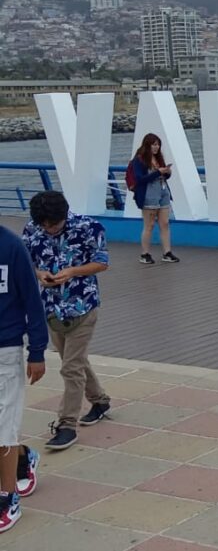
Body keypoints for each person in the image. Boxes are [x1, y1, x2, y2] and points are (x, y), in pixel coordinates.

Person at [22, 191, 112, 452]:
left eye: (53, 225)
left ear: (63, 216)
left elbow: (101, 262)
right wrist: (39, 274)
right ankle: (100, 400)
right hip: (51, 308)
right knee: (74, 360)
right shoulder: (31, 230)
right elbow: (27, 263)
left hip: (82, 306)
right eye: (44, 226)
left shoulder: (89, 227)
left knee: (70, 368)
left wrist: (72, 272)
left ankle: (66, 425)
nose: (48, 230)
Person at [0, 226, 48, 533]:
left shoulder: (12, 247)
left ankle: (8, 497)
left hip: (6, 349)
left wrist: (38, 350)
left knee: (3, 426)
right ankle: (22, 457)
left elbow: (33, 300)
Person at [129, 133, 179, 264]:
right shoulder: (139, 161)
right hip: (149, 193)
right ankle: (145, 253)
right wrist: (158, 172)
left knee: (165, 223)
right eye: (154, 144)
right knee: (149, 224)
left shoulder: (158, 159)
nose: (156, 147)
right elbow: (140, 178)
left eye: (158, 145)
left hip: (163, 191)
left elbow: (162, 176)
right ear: (147, 145)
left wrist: (167, 173)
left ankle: (167, 252)